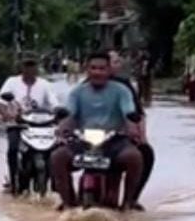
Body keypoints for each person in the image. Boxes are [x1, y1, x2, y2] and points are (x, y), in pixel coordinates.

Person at [51, 51, 144, 211]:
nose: (97, 72)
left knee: (134, 157)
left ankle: (128, 203)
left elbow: (128, 113)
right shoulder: (77, 92)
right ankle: (67, 202)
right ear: (87, 70)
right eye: (93, 68)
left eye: (101, 69)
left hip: (114, 141)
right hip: (83, 141)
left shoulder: (122, 91)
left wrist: (133, 128)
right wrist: (62, 130)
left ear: (109, 70)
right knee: (57, 157)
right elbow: (69, 115)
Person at [0, 54, 59, 192]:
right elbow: (0, 102)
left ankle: (55, 183)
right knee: (13, 149)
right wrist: (7, 114)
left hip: (41, 127)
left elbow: (54, 104)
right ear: (21, 67)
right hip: (18, 125)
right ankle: (14, 180)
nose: (30, 69)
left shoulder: (45, 85)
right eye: (27, 65)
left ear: (37, 67)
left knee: (55, 150)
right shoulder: (12, 82)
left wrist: (58, 113)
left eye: (33, 65)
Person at [108, 50, 154, 205]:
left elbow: (137, 114)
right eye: (111, 61)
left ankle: (131, 200)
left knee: (145, 153)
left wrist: (142, 137)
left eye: (115, 62)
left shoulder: (124, 86)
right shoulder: (85, 87)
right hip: (91, 138)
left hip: (120, 137)